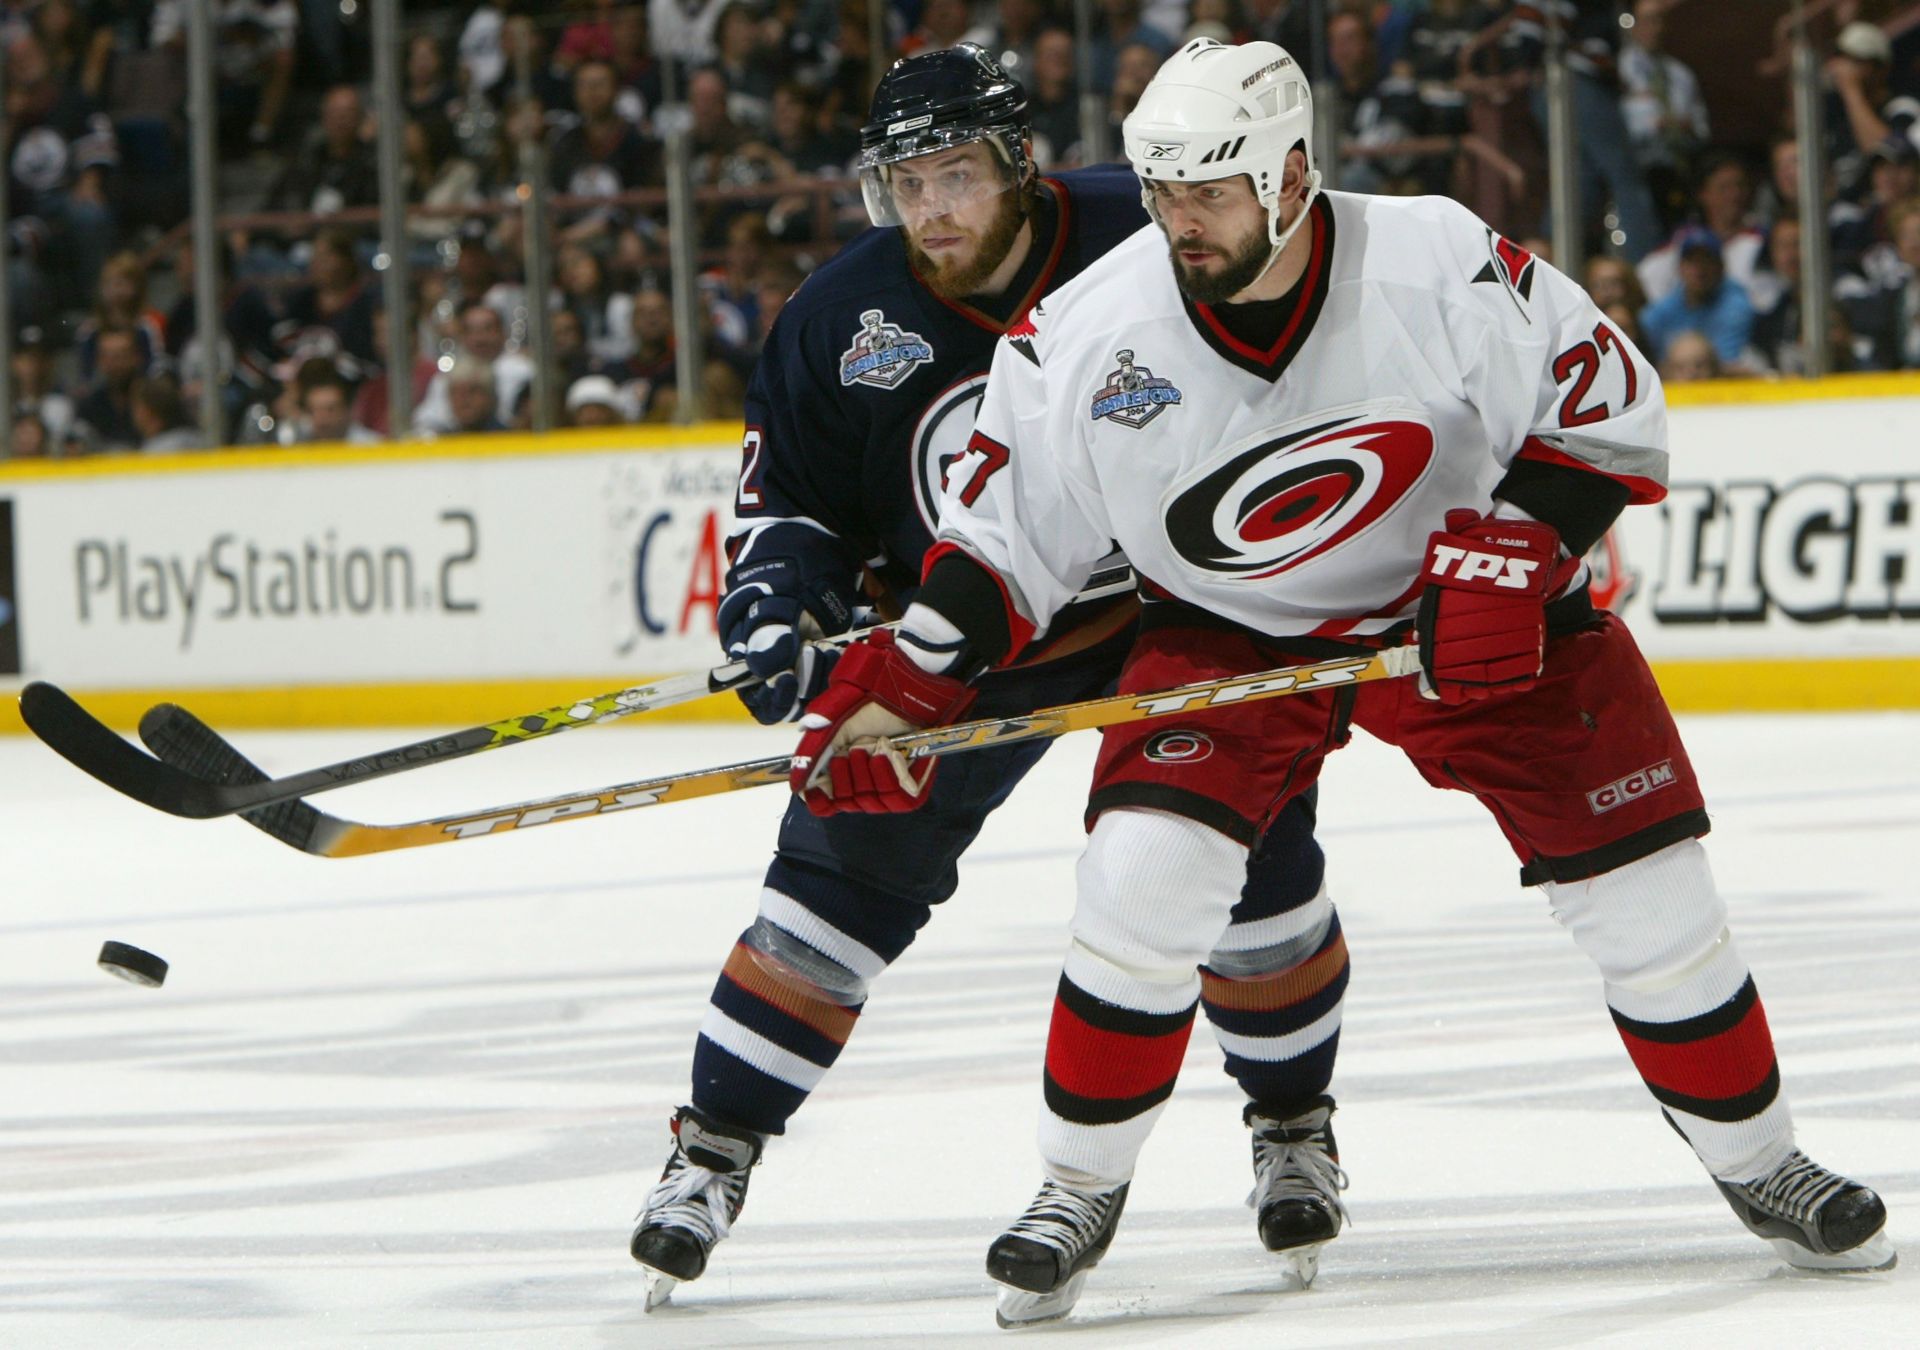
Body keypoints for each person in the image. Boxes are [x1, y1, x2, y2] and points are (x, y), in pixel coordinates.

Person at [791, 37, 1896, 1327]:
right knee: (1139, 883)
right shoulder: (1090, 329)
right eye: (1158, 193)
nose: (1176, 223)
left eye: (1208, 191)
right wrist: (911, 678)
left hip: (1460, 607)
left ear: (1293, 172)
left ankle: (1765, 1163)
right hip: (1230, 632)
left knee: (1653, 900)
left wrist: (1521, 548)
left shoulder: (1437, 257)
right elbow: (1004, 540)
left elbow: (1609, 415)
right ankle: (1074, 1187)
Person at [626, 41, 1341, 1312]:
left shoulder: (1145, 229)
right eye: (905, 183)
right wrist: (776, 597)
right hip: (968, 634)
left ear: (1016, 161)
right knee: (834, 875)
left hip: (1173, 612)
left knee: (1245, 854)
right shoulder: (842, 316)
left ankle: (1291, 1123)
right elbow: (790, 501)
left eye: (954, 172)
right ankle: (715, 1149)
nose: (932, 210)